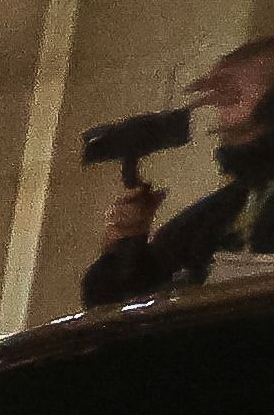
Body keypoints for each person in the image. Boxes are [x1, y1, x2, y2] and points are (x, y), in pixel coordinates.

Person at [78, 33, 274, 304]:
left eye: (233, 94)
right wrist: (128, 239)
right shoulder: (224, 208)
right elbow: (115, 302)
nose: (219, 116)